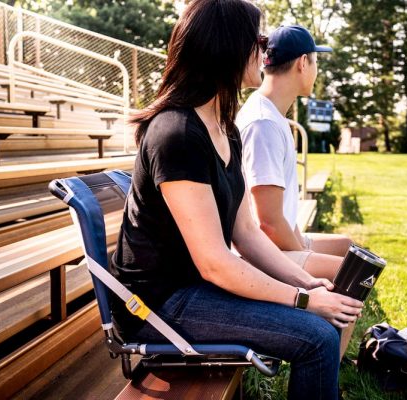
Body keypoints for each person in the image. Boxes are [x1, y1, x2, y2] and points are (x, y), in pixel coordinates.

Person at [110, 2, 363, 399]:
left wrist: (304, 281)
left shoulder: (225, 129)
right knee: (317, 336)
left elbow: (246, 232)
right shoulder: (176, 134)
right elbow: (215, 263)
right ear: (225, 46)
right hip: (157, 304)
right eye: (257, 40)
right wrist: (304, 300)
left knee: (321, 323)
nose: (264, 52)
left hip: (195, 287)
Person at [235, 26, 357, 357]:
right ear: (303, 62)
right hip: (258, 253)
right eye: (316, 61)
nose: (316, 70)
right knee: (354, 274)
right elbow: (268, 224)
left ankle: (335, 359)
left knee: (350, 249)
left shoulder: (270, 116)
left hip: (272, 241)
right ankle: (327, 363)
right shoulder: (262, 124)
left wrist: (302, 242)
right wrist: (301, 256)